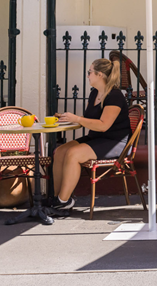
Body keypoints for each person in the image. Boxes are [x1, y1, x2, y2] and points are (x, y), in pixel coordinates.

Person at [52, 58, 132, 210]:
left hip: (115, 142)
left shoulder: (114, 96)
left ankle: (64, 202)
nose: (87, 75)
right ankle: (56, 199)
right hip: (97, 138)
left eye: (90, 72)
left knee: (73, 154)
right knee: (61, 151)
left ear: (100, 75)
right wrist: (68, 119)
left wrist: (77, 119)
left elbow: (103, 125)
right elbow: (89, 119)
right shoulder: (95, 93)